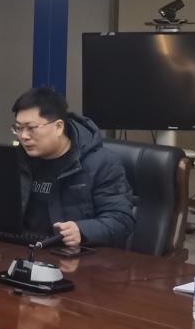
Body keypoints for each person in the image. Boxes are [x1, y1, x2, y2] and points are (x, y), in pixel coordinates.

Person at [12, 86, 134, 249]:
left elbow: (121, 221)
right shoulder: (17, 160)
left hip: (73, 255)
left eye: (31, 128)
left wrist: (82, 230)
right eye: (19, 128)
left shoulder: (102, 163)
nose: (24, 136)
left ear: (58, 127)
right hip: (22, 249)